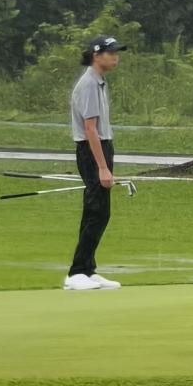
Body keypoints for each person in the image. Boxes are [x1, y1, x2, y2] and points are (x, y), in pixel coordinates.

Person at [64, 36, 127, 292]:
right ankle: (77, 272)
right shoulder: (89, 84)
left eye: (116, 53)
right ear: (96, 55)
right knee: (96, 210)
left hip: (100, 148)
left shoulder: (99, 81)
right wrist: (102, 167)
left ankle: (87, 270)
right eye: (111, 53)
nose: (115, 57)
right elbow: (90, 129)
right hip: (92, 151)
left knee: (100, 211)